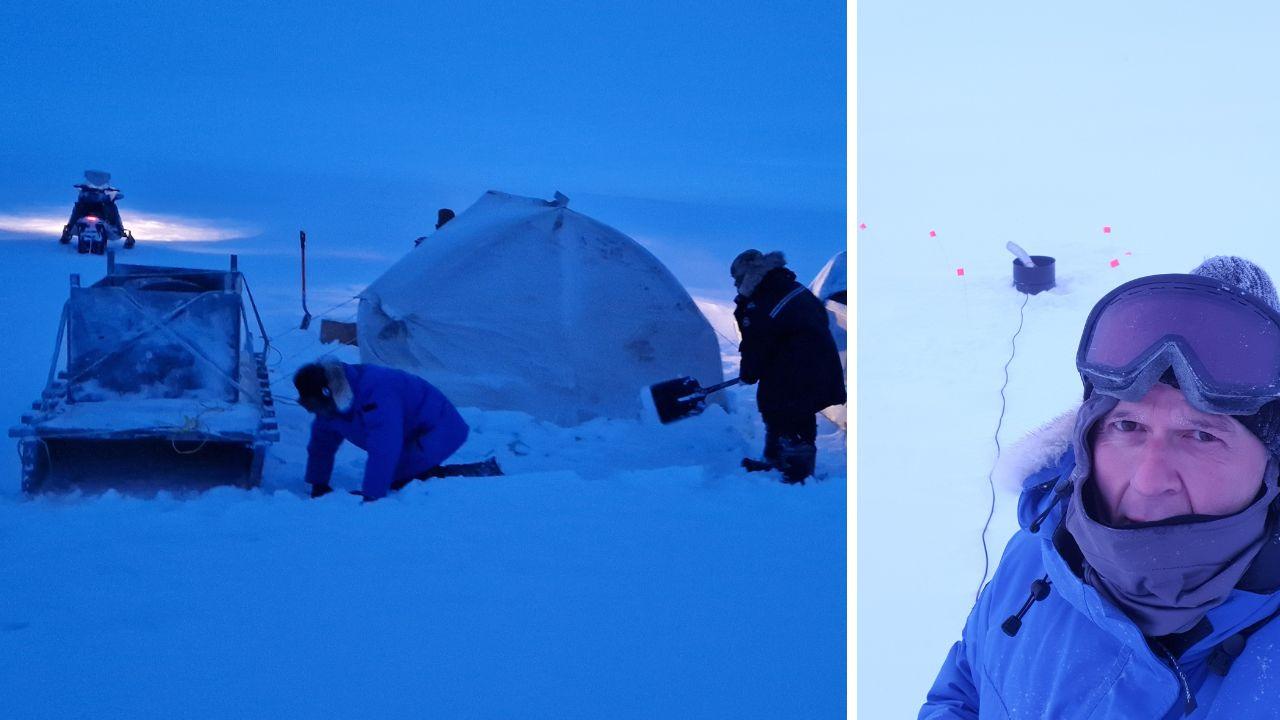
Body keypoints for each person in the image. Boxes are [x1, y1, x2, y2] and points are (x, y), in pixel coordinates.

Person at [920, 256, 1280, 718]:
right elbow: (965, 684)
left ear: (1270, 465)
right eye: (1128, 425)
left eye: (1201, 435)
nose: (1149, 482)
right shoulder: (1041, 543)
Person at [294, 360, 497, 501]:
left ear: (326, 392)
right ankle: (476, 472)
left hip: (438, 426)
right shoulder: (329, 405)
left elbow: (384, 447)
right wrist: (318, 483)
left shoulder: (375, 393)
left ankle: (481, 475)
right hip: (408, 431)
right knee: (397, 477)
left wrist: (372, 495)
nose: (314, 411)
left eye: (313, 404)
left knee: (410, 481)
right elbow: (321, 444)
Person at [730, 249, 846, 483]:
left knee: (789, 412)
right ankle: (776, 461)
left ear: (748, 275)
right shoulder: (784, 287)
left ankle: (796, 471)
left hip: (798, 368)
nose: (735, 284)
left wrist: (750, 371)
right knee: (781, 409)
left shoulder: (766, 298)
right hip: (800, 363)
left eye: (737, 279)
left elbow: (757, 341)